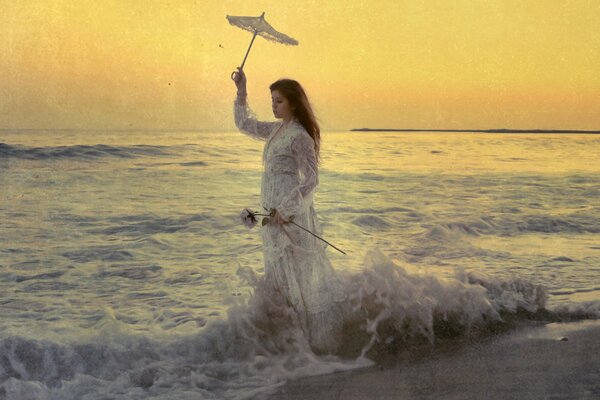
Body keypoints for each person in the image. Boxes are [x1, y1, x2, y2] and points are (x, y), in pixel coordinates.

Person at [232, 68, 346, 354]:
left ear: (293, 103)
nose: (273, 105)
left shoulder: (299, 136)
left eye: (279, 101)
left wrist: (286, 210)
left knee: (296, 276)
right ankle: (287, 342)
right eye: (272, 100)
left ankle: (310, 343)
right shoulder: (276, 130)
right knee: (278, 276)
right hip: (271, 216)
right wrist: (241, 89)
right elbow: (244, 124)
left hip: (288, 216)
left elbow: (311, 180)